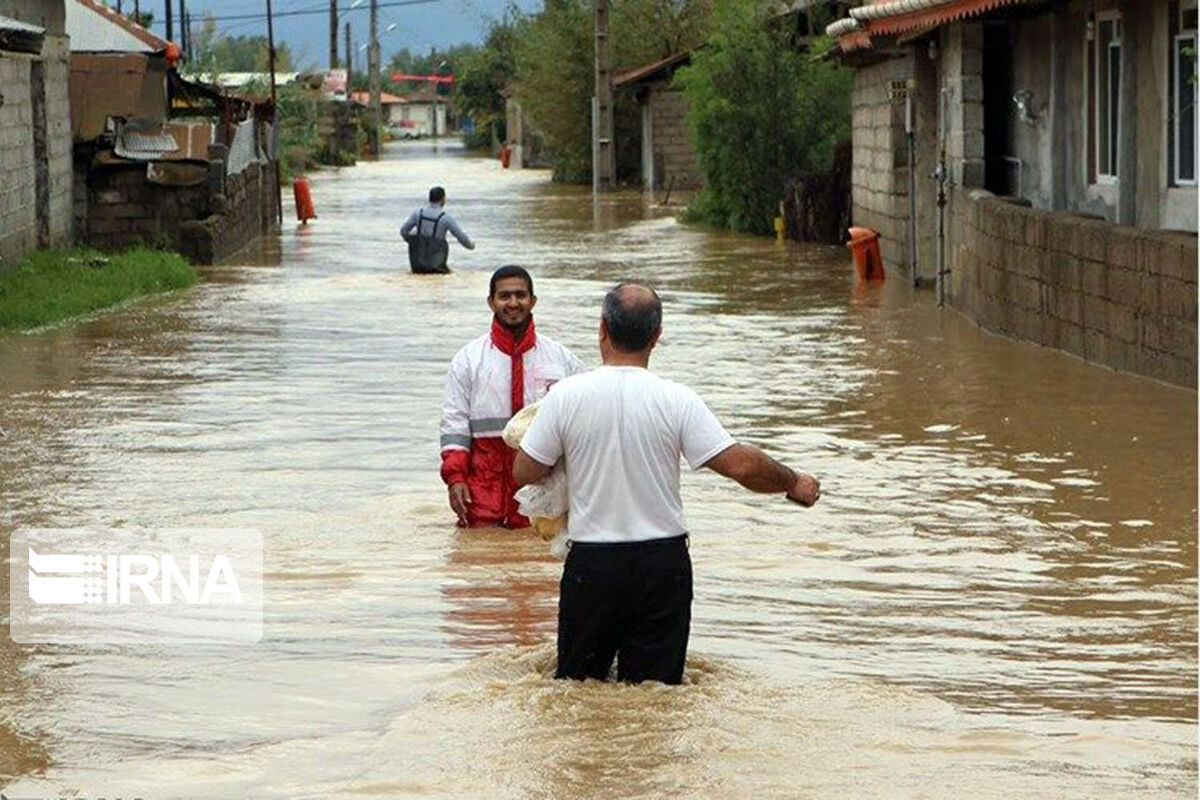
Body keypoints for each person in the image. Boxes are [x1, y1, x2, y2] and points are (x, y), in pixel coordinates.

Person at [512, 282, 820, 685]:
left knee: (577, 690)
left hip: (593, 567)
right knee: (657, 693)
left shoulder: (565, 397)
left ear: (602, 329)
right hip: (661, 567)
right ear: (657, 337)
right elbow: (741, 466)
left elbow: (525, 472)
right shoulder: (677, 399)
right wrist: (792, 481)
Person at [440, 265, 586, 528]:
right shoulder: (468, 361)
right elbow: (455, 424)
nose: (513, 303)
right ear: (491, 302)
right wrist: (455, 478)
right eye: (504, 296)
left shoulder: (563, 360)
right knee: (477, 564)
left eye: (520, 295)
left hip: (544, 491)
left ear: (533, 301)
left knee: (539, 563)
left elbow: (585, 424)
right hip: (483, 492)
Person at [401, 186, 474, 273]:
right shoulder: (446, 218)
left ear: (429, 198)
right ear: (443, 199)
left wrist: (412, 240)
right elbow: (461, 237)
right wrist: (471, 246)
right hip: (437, 265)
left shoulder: (418, 214)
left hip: (417, 265)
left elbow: (403, 231)